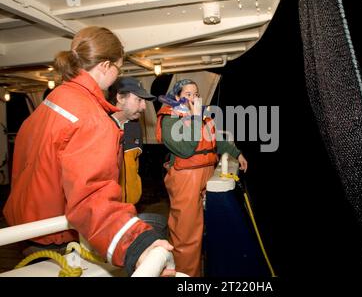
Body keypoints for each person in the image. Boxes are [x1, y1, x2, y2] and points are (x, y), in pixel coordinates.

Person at [3, 26, 173, 276]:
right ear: (105, 66)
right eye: (118, 68)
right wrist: (137, 244)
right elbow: (91, 196)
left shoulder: (49, 104)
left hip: (28, 230)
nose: (117, 76)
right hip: (57, 238)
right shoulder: (91, 119)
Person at [155, 79, 248, 276]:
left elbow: (216, 140)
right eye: (188, 94)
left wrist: (236, 153)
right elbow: (186, 149)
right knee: (186, 234)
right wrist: (196, 117)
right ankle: (186, 277)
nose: (194, 98)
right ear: (177, 97)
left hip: (206, 174)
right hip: (185, 179)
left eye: (196, 94)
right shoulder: (169, 119)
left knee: (205, 229)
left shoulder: (203, 116)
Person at [108, 76, 167, 235]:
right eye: (138, 100)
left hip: (130, 206)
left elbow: (133, 166)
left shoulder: (134, 128)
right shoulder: (102, 129)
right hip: (109, 213)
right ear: (120, 98)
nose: (143, 107)